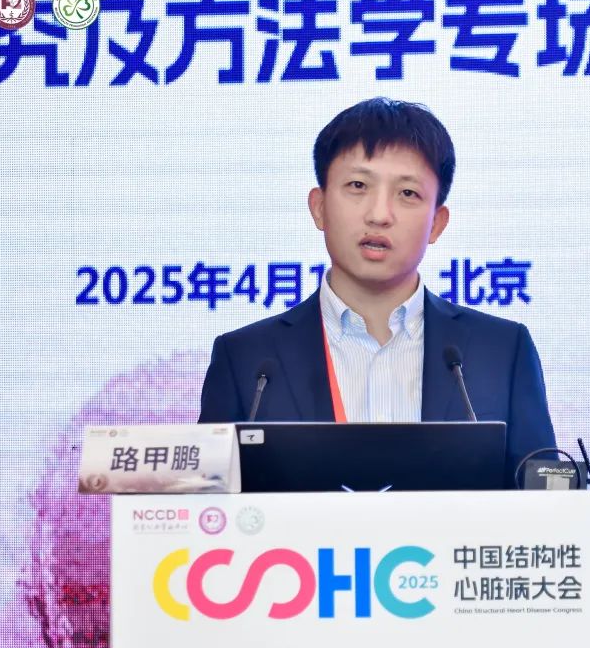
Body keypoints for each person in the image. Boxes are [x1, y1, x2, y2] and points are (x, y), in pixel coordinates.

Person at [198, 97, 556, 488]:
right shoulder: (247, 360)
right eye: (358, 186)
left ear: (437, 223)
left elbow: (546, 496)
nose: (379, 214)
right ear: (319, 207)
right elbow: (205, 505)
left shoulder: (501, 351)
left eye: (408, 193)